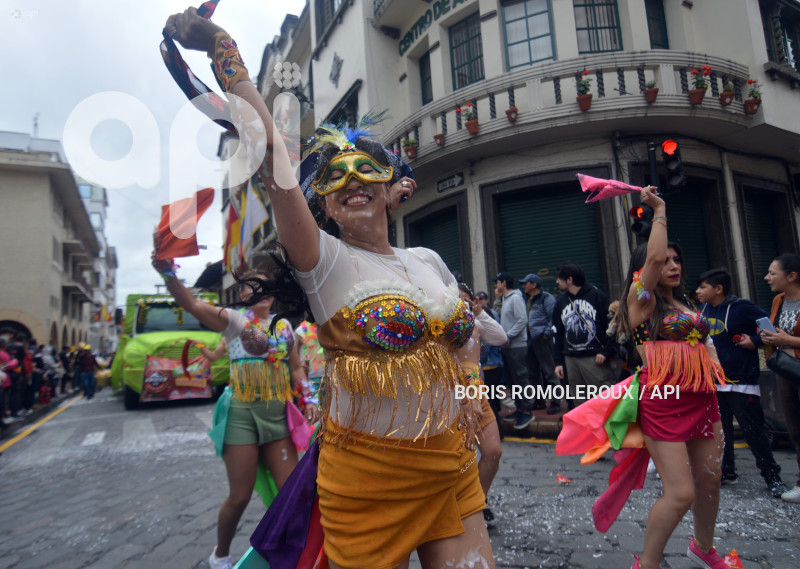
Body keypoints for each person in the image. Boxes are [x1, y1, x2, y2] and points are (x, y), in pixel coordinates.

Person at [163, 8, 495, 568]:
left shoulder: (429, 261)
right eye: (333, 175)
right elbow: (270, 150)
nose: (351, 180)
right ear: (321, 201)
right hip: (368, 486)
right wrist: (223, 46)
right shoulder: (325, 262)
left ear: (394, 187)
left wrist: (478, 417)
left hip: (452, 472)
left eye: (367, 167)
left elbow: (469, 344)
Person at [149, 260, 316, 569]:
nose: (261, 293)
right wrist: (168, 275)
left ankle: (293, 552)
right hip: (241, 414)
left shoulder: (283, 327)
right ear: (242, 294)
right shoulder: (235, 321)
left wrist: (308, 396)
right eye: (253, 288)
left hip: (277, 416)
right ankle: (220, 556)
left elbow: (295, 367)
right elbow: (194, 304)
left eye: (265, 288)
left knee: (293, 494)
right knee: (238, 497)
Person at [609, 187, 727, 569]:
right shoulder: (640, 300)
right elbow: (654, 256)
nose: (673, 266)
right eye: (666, 261)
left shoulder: (687, 303)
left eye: (678, 260)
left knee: (710, 480)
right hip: (663, 401)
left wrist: (717, 378)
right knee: (681, 494)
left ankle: (703, 548)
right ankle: (647, 564)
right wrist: (658, 209)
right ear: (648, 268)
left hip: (702, 398)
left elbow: (705, 347)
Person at [695, 268, 787, 497]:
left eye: (703, 287)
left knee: (752, 429)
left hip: (741, 380)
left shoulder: (742, 307)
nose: (697, 291)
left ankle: (771, 475)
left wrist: (754, 341)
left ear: (718, 289)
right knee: (720, 430)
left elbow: (770, 328)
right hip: (713, 380)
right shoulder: (702, 310)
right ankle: (726, 471)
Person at [458, 282, 506, 529]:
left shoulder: (474, 321)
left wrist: (478, 313)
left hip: (478, 395)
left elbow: (500, 337)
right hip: (452, 400)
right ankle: (469, 507)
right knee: (460, 460)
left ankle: (479, 498)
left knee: (493, 452)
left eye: (467, 301)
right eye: (458, 300)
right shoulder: (440, 324)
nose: (463, 305)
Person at [761, 253, 800, 503]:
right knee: (795, 428)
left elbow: (788, 337)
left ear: (792, 276)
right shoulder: (779, 300)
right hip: (786, 370)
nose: (767, 277)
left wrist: (788, 340)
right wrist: (770, 337)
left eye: (773, 273)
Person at [553, 261, 616, 406]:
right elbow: (558, 332)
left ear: (569, 280)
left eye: (559, 278)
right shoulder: (561, 301)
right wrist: (558, 362)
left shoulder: (597, 296)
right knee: (580, 402)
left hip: (595, 359)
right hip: (571, 359)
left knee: (604, 400)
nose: (556, 281)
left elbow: (613, 326)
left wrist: (606, 352)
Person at [494, 272, 535, 429]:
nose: (496, 285)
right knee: (513, 381)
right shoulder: (505, 299)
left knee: (521, 379)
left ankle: (527, 412)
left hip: (517, 346)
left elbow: (522, 320)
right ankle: (519, 409)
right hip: (508, 346)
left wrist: (508, 336)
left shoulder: (516, 298)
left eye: (497, 282)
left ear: (504, 283)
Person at [520, 274, 560, 414]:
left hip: (542, 340)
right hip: (529, 341)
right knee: (533, 374)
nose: (523, 285)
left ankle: (556, 403)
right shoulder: (525, 299)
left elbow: (552, 317)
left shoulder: (546, 298)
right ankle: (539, 401)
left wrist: (547, 334)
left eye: (526, 283)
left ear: (534, 285)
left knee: (549, 372)